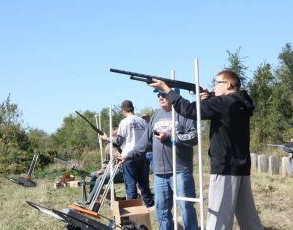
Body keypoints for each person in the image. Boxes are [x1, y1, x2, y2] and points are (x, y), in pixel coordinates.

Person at [149, 70, 263, 230]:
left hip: (225, 168)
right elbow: (221, 108)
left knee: (218, 222)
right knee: (249, 221)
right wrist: (210, 98)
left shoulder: (224, 103)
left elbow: (189, 110)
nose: (213, 86)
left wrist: (168, 91)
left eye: (217, 83)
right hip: (241, 167)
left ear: (229, 85)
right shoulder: (240, 102)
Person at [118, 89, 199, 230]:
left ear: (174, 94)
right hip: (160, 174)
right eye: (158, 95)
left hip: (180, 171)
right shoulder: (156, 116)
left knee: (186, 207)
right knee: (161, 209)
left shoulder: (185, 113)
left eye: (164, 94)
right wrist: (127, 155)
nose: (161, 97)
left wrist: (170, 136)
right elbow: (144, 143)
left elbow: (194, 137)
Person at [102, 100, 154, 207]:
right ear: (132, 108)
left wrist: (106, 138)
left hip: (128, 157)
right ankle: (151, 207)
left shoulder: (124, 122)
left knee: (130, 186)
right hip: (142, 156)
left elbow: (119, 141)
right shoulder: (142, 121)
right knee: (144, 185)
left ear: (123, 110)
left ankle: (133, 211)